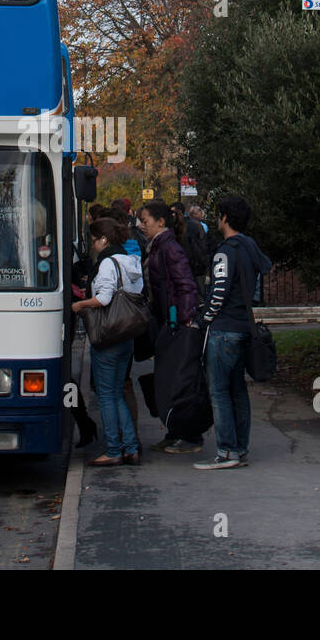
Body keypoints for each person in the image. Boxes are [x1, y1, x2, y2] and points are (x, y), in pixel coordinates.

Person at [194, 195, 272, 470]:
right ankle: (240, 447)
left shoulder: (225, 251)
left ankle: (226, 452)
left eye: (219, 215)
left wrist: (203, 319)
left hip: (224, 329)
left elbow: (218, 293)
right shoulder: (250, 246)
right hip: (244, 327)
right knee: (238, 390)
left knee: (219, 391)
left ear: (225, 217)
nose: (217, 219)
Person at [72, 218, 145, 466]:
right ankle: (131, 447)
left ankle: (113, 449)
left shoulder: (106, 264)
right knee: (117, 394)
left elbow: (103, 299)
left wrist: (80, 304)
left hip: (108, 336)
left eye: (93, 240)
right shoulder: (130, 261)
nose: (92, 245)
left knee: (106, 395)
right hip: (127, 336)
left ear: (103, 239)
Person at [138, 199, 203, 453]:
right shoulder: (158, 246)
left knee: (180, 381)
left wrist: (183, 319)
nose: (142, 226)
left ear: (160, 222)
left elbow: (184, 283)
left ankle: (189, 435)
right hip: (169, 320)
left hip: (176, 323)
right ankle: (176, 430)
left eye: (145, 222)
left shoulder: (168, 248)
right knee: (170, 380)